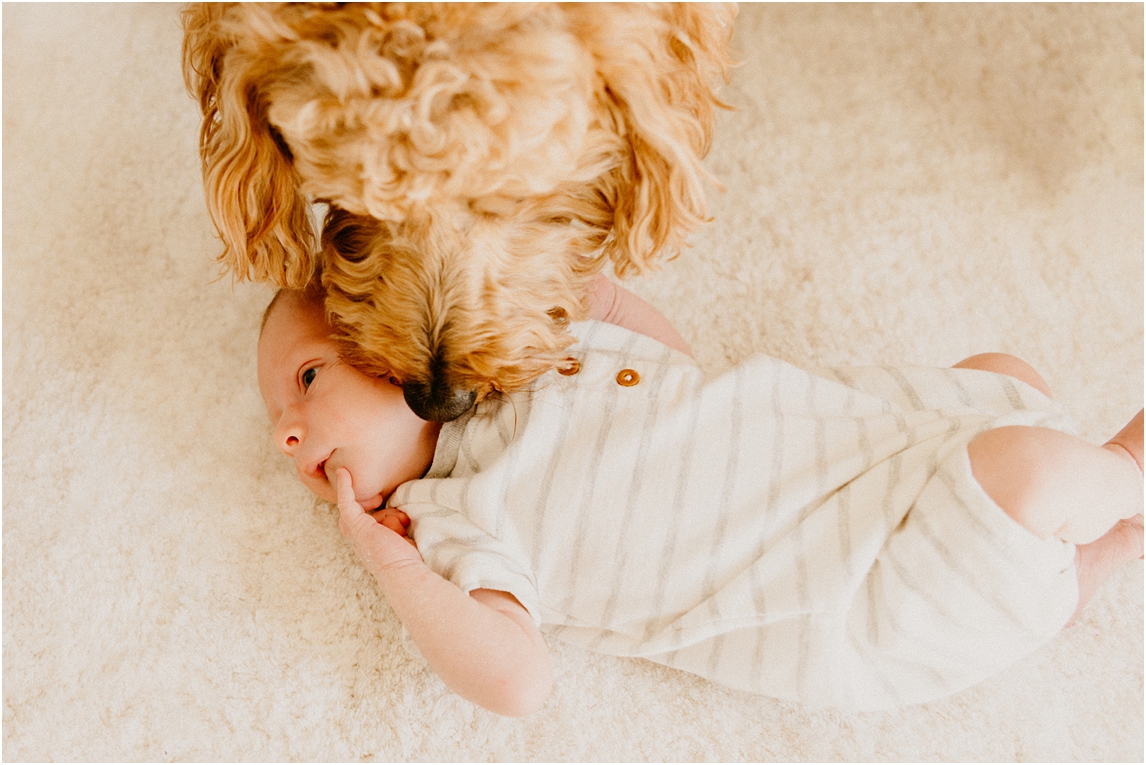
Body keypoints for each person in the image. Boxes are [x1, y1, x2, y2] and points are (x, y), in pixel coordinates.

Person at [257, 282, 1143, 717]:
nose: (286, 431)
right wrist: (392, 563)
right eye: (281, 413)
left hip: (878, 452)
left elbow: (673, 373)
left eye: (305, 378)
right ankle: (1125, 474)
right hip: (859, 592)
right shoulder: (450, 514)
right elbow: (516, 680)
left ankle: (1070, 571)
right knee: (1030, 467)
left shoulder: (523, 361)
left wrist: (564, 283)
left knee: (1001, 377)